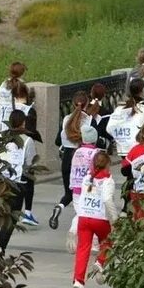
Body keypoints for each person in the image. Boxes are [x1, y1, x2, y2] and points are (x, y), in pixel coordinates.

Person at [72, 151, 118, 288]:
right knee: (108, 241)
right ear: (108, 165)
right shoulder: (108, 180)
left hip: (84, 217)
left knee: (82, 249)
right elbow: (107, 200)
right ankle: (100, 262)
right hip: (100, 218)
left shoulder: (86, 178)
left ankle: (78, 281)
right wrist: (115, 220)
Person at [0, 110, 37, 253]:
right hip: (17, 183)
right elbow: (30, 163)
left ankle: (0, 245)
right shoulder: (27, 140)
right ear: (23, 123)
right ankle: (1, 245)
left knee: (5, 213)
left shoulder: (2, 138)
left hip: (1, 181)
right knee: (12, 215)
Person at [50, 90, 89, 229]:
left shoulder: (67, 119)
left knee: (69, 193)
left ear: (73, 104)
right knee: (83, 192)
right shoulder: (88, 120)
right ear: (87, 104)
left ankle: (60, 206)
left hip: (66, 158)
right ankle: (79, 224)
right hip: (81, 158)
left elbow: (57, 141)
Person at [106, 80, 144, 159]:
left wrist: (120, 139)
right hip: (140, 149)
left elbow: (109, 128)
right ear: (142, 91)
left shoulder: (120, 108)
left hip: (123, 150)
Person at [0, 61, 26, 132]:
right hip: (13, 123)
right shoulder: (20, 85)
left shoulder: (3, 84)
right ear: (22, 73)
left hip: (0, 121)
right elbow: (22, 105)